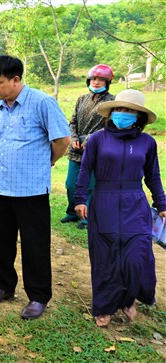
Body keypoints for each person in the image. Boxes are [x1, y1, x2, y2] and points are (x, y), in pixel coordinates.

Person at [0, 55, 70, 320]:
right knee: (2, 242)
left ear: (16, 79)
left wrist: (48, 162)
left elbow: (63, 140)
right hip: (1, 188)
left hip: (31, 190)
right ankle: (4, 286)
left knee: (35, 245)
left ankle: (38, 296)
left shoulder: (42, 102)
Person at [74, 89, 165, 328]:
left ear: (139, 116)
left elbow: (153, 176)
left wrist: (162, 204)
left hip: (135, 203)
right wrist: (80, 199)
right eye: (119, 109)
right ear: (111, 112)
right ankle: (105, 305)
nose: (123, 113)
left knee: (137, 256)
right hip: (103, 201)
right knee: (106, 257)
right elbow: (85, 171)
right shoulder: (97, 139)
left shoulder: (148, 142)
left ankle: (127, 299)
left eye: (129, 110)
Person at [62, 64, 115, 229]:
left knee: (90, 186)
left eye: (101, 79)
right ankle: (72, 212)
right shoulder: (81, 99)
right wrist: (74, 138)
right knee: (71, 184)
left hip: (96, 149)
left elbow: (110, 126)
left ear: (107, 82)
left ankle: (86, 218)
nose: (97, 82)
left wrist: (91, 139)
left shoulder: (113, 101)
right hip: (76, 149)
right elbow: (73, 121)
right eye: (94, 78)